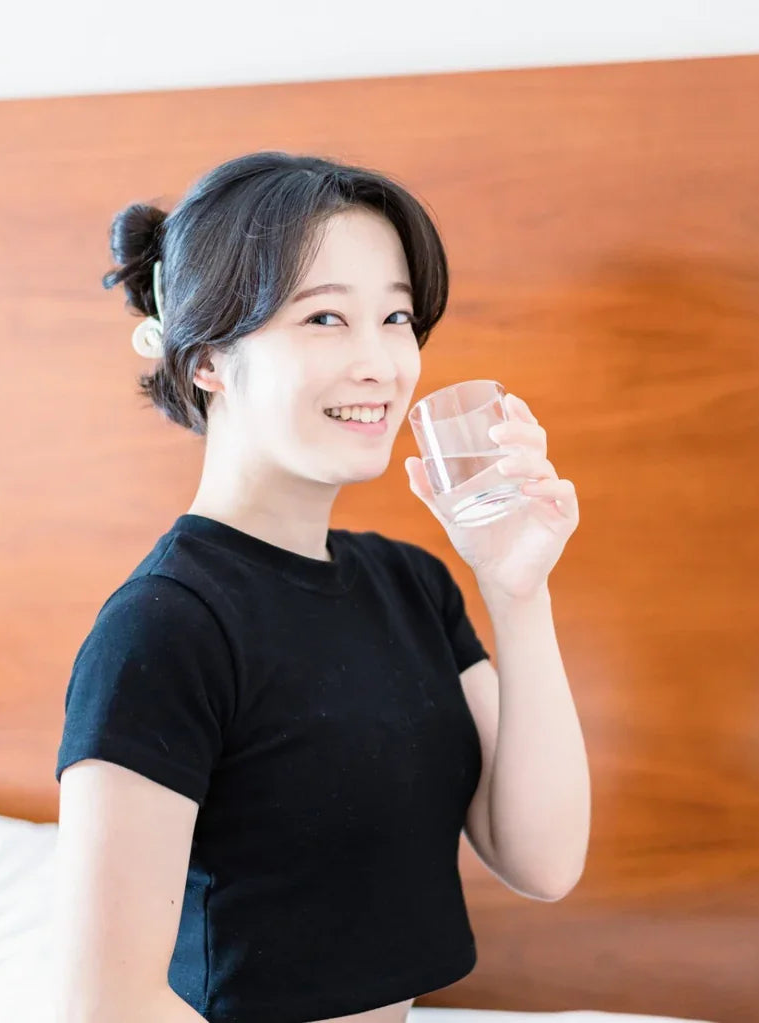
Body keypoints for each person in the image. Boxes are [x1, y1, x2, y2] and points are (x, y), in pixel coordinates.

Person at [53, 152, 590, 1023]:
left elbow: (545, 861)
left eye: (396, 316)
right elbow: (105, 1007)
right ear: (208, 358)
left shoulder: (411, 585)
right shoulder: (163, 628)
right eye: (325, 317)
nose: (380, 363)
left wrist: (518, 592)